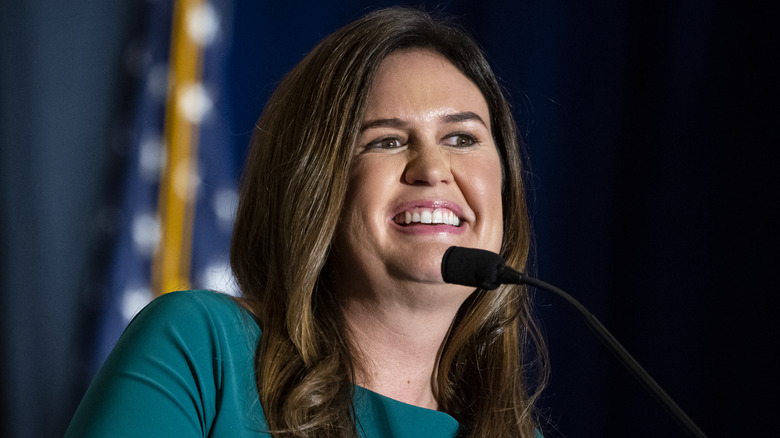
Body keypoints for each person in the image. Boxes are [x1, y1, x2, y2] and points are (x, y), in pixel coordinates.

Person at [65, 6, 548, 437]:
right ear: (313, 187)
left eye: (462, 139)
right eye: (386, 140)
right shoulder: (204, 351)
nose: (432, 169)